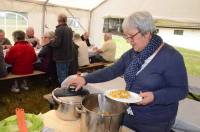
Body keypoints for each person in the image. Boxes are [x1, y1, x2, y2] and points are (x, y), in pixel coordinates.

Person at [66, 11, 188, 132]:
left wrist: (154, 97)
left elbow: (181, 90)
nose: (128, 41)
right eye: (126, 36)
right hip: (129, 114)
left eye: (131, 36)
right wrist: (86, 79)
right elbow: (112, 70)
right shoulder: (133, 54)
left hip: (155, 122)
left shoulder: (171, 57)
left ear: (147, 32)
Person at [50, 13, 74, 85]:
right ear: (65, 20)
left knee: (61, 75)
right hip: (68, 55)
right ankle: (66, 87)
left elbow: (57, 43)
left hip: (61, 56)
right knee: (65, 73)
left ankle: (63, 89)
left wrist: (51, 42)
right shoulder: (69, 29)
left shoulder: (59, 29)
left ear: (58, 20)